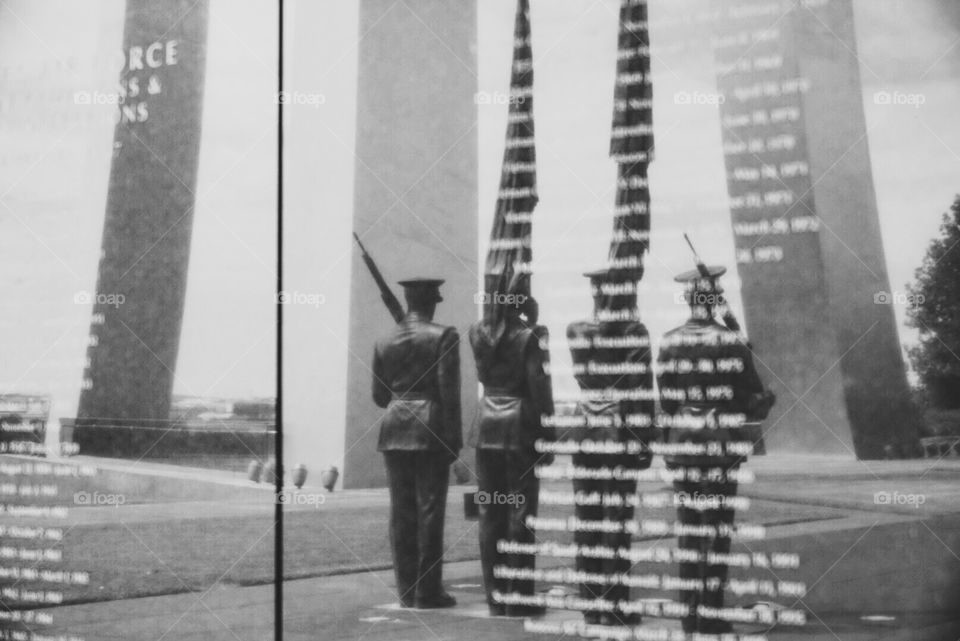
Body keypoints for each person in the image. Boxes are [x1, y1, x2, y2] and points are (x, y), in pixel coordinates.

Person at [656, 266, 775, 635]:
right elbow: (751, 403)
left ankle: (688, 613)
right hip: (720, 446)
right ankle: (708, 613)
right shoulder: (730, 341)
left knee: (689, 532)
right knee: (716, 533)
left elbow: (669, 399)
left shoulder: (669, 340)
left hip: (682, 446)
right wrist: (765, 396)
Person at [566, 268, 656, 627]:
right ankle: (614, 604)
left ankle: (591, 603)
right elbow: (640, 387)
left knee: (588, 519)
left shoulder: (575, 329)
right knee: (616, 522)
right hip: (618, 428)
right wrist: (645, 437)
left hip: (585, 426)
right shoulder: (635, 331)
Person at [372, 277, 462, 609]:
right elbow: (449, 394)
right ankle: (428, 591)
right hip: (431, 428)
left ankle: (407, 590)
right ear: (430, 300)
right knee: (429, 511)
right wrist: (454, 439)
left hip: (394, 427)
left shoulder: (384, 340)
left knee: (402, 513)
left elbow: (380, 396)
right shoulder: (444, 336)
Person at [468, 282, 554, 617]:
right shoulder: (530, 336)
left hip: (486, 422)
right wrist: (549, 433)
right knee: (520, 512)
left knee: (491, 512)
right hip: (519, 426)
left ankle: (496, 595)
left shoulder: (477, 332)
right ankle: (518, 594)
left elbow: (483, 374)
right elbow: (539, 386)